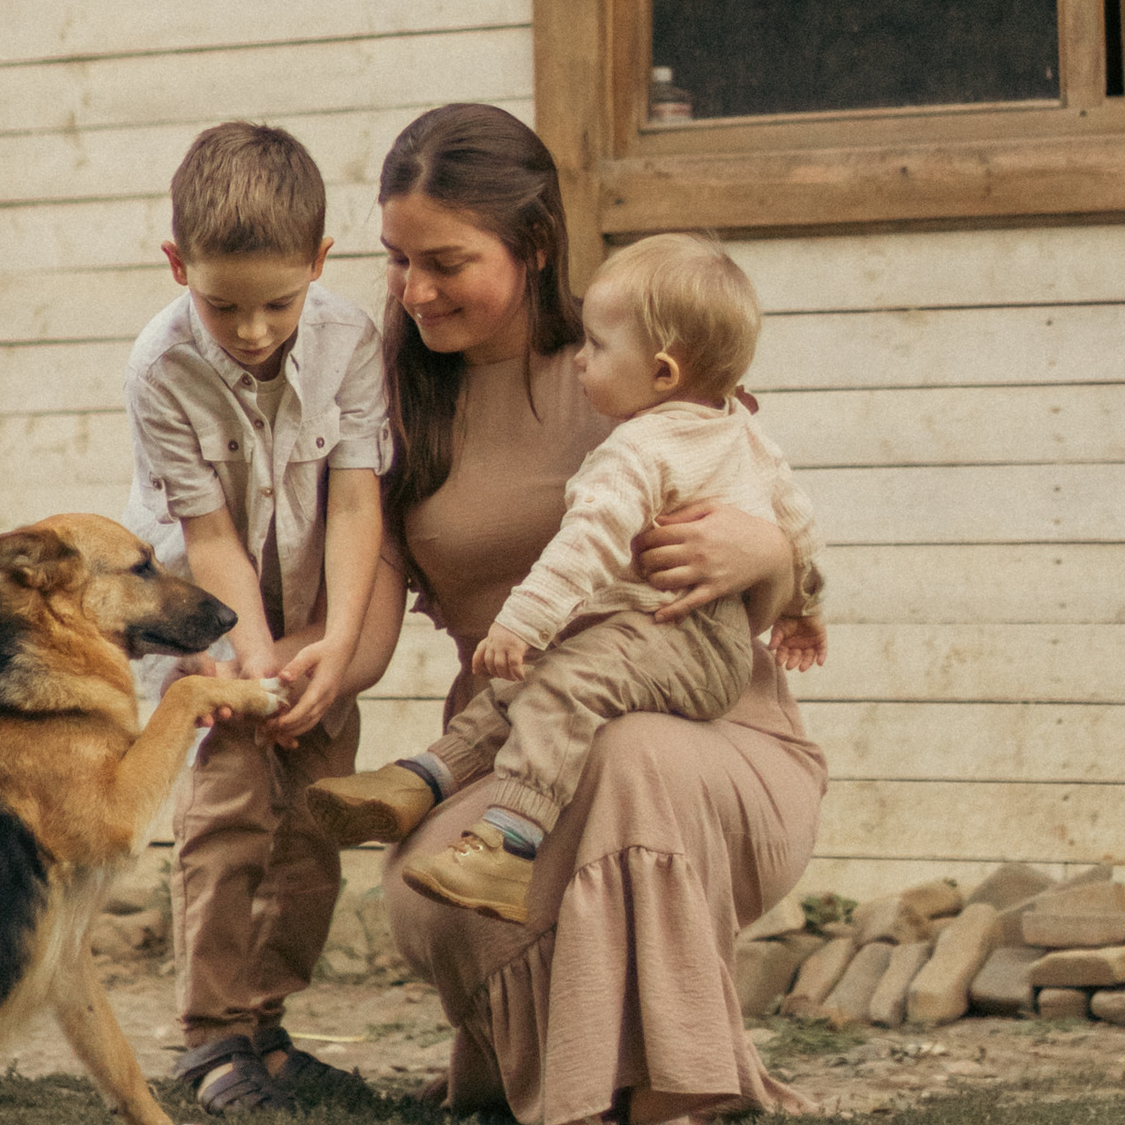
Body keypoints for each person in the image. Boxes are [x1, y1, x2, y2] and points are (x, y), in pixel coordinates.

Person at [337, 104, 825, 1125]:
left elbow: (775, 535)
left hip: (709, 726)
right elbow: (366, 619)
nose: (414, 290)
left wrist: (771, 560)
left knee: (630, 758)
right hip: (518, 724)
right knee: (434, 894)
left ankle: (670, 1087)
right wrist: (302, 676)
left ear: (535, 246)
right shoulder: (393, 403)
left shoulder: (641, 364)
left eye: (445, 261)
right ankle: (574, 1073)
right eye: (396, 261)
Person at [313, 229, 824, 925]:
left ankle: (507, 846)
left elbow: (582, 548)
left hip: (683, 638)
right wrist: (805, 606)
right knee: (523, 687)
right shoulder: (742, 432)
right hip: (675, 636)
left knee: (558, 685)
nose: (582, 361)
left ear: (665, 373)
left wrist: (521, 623)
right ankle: (422, 779)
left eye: (599, 348)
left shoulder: (638, 451)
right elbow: (797, 525)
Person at [121, 121, 401, 1115]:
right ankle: (209, 1039)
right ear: (176, 264)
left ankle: (267, 1026)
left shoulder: (350, 340)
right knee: (232, 811)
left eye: (277, 303)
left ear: (320, 265)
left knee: (314, 818)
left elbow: (358, 500)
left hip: (321, 613)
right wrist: (246, 660)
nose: (250, 331)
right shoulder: (160, 369)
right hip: (212, 621)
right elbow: (208, 538)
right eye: (223, 304)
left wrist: (332, 644)